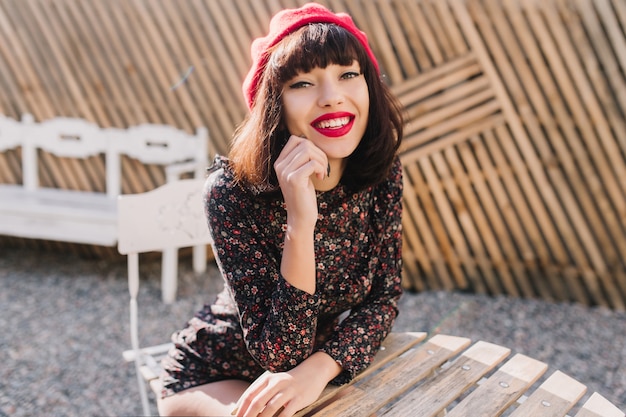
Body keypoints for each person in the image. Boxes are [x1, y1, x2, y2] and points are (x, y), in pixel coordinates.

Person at [157, 3, 404, 416]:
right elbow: (281, 353)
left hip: (310, 373)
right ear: (275, 103)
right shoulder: (230, 193)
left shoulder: (380, 173)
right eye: (303, 83)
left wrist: (320, 370)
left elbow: (384, 299)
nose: (332, 97)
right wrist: (301, 223)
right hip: (216, 373)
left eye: (347, 74)